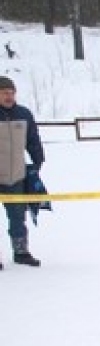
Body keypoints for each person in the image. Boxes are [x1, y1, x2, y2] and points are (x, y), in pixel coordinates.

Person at [0, 75, 45, 269]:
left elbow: (33, 139)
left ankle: (21, 251)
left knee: (18, 215)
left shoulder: (23, 114)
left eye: (11, 93)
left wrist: (37, 160)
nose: (9, 96)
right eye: (4, 93)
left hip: (15, 175)